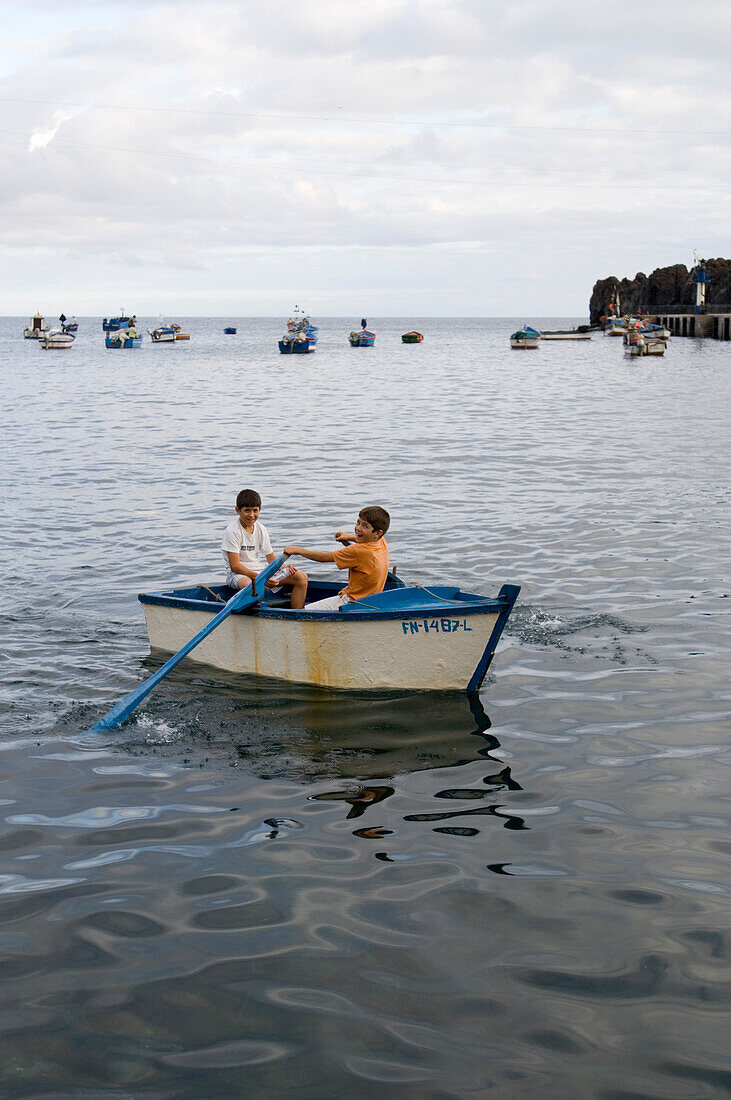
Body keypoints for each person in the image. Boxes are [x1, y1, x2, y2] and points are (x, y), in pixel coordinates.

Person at [284, 505, 390, 611]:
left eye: (365, 526)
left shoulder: (357, 551)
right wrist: (349, 537)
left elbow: (323, 557)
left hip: (352, 601)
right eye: (358, 522)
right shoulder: (381, 542)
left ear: (378, 533)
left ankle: (296, 618)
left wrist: (298, 550)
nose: (358, 528)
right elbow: (367, 541)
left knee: (303, 612)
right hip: (370, 600)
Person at [221, 489, 308, 609]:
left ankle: (298, 615)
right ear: (237, 510)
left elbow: (271, 558)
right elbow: (235, 566)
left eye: (255, 511)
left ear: (260, 510)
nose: (251, 515)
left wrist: (285, 567)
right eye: (247, 511)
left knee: (301, 577)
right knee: (250, 586)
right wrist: (260, 579)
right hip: (238, 575)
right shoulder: (232, 532)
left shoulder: (261, 529)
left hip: (259, 571)